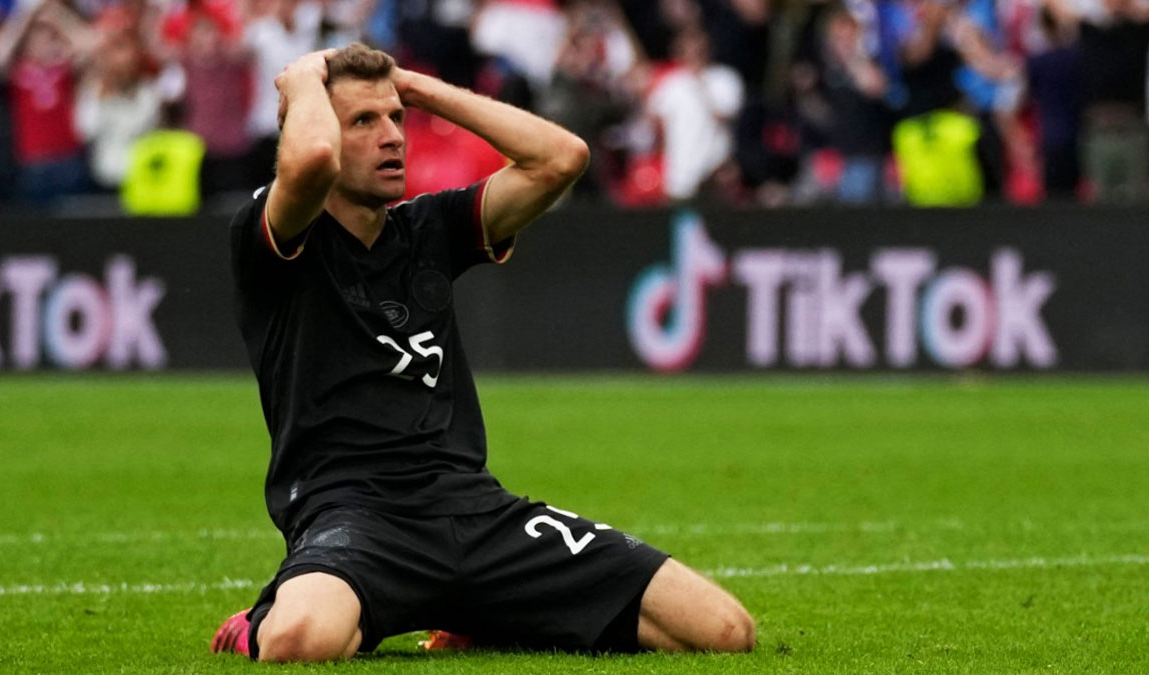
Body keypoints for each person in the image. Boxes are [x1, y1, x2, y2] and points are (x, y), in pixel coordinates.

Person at [210, 42, 755, 662]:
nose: (393, 137)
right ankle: (255, 623)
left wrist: (419, 87)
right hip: (353, 516)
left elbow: (561, 158)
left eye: (396, 118)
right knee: (299, 640)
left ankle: (485, 613)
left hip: (474, 510)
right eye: (363, 121)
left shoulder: (428, 227)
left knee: (723, 631)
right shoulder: (273, 233)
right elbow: (310, 160)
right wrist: (304, 77)